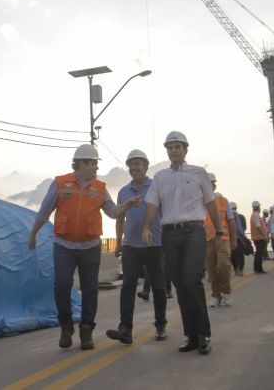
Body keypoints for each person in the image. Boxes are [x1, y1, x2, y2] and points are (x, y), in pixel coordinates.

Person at [29, 144, 140, 350]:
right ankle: (66, 326)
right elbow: (44, 212)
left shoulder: (100, 188)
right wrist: (33, 233)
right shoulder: (60, 184)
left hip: (90, 247)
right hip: (64, 246)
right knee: (61, 285)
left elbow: (113, 212)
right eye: (93, 164)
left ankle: (86, 330)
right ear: (81, 164)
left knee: (90, 290)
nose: (96, 167)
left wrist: (127, 205)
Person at [141, 131, 223, 355]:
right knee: (179, 284)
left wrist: (219, 229)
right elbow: (152, 204)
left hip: (193, 232)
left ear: (185, 149)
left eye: (178, 146)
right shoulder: (160, 178)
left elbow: (210, 202)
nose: (174, 150)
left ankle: (203, 334)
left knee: (191, 279)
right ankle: (191, 336)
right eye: (170, 147)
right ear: (167, 151)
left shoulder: (199, 173)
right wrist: (147, 227)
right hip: (170, 234)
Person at [107, 149, 168, 345]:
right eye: (131, 164)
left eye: (138, 164)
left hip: (154, 244)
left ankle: (160, 324)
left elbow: (166, 213)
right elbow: (119, 218)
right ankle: (125, 329)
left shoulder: (156, 187)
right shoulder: (123, 191)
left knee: (158, 286)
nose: (134, 167)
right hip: (130, 245)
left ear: (146, 166)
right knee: (128, 285)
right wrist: (119, 243)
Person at [205, 173, 237, 307]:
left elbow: (231, 221)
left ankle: (227, 292)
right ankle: (216, 296)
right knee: (211, 270)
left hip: (223, 239)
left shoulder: (223, 201)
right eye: (209, 182)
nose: (211, 185)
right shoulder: (199, 201)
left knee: (223, 265)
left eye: (212, 182)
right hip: (207, 241)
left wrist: (234, 240)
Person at [230, 202, 250, 276]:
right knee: (240, 254)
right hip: (240, 238)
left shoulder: (228, 217)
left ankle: (236, 269)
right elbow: (244, 228)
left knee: (233, 254)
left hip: (231, 238)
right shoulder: (241, 217)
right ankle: (241, 270)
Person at [250, 201, 269, 274]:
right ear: (258, 207)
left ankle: (258, 269)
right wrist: (264, 235)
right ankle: (258, 269)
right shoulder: (256, 215)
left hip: (257, 238)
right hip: (259, 238)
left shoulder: (254, 215)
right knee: (259, 254)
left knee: (259, 254)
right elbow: (258, 227)